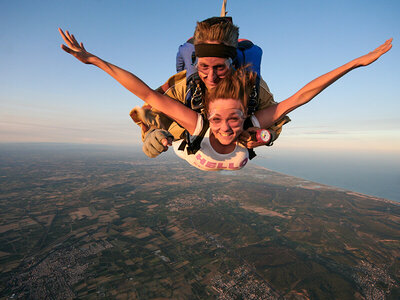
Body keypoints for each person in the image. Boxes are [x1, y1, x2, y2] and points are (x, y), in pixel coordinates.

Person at [58, 28, 392, 171]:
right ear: (207, 115)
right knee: (161, 122)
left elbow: (303, 95)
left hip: (232, 135)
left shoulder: (248, 122)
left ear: (244, 112)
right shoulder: (199, 122)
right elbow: (146, 93)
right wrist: (93, 60)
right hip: (186, 143)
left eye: (234, 118)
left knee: (264, 131)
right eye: (218, 119)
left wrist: (356, 63)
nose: (227, 128)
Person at [130, 17, 290, 159]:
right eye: (204, 67)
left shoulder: (251, 85)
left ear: (232, 63)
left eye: (220, 67)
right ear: (196, 63)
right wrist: (152, 134)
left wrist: (266, 137)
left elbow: (276, 116)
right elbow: (156, 108)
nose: (211, 77)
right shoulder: (186, 86)